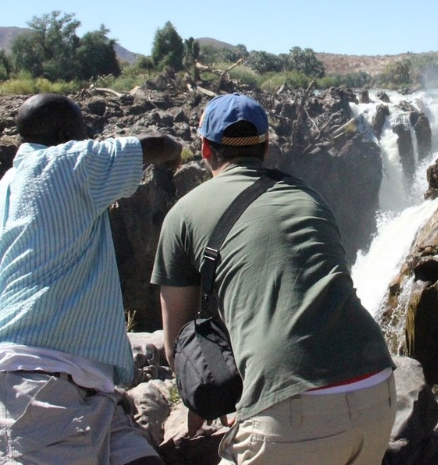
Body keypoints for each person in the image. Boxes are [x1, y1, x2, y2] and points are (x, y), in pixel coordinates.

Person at [152, 92, 397, 465]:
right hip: (377, 389)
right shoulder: (311, 197)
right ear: (265, 147)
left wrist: (207, 402)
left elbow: (178, 345)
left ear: (204, 149)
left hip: (291, 410)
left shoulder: (183, 215)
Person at [0, 93, 182, 465]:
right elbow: (155, 144)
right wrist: (176, 151)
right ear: (64, 134)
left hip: (87, 389)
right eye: (83, 132)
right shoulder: (62, 162)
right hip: (39, 390)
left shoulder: (6, 188)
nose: (87, 140)